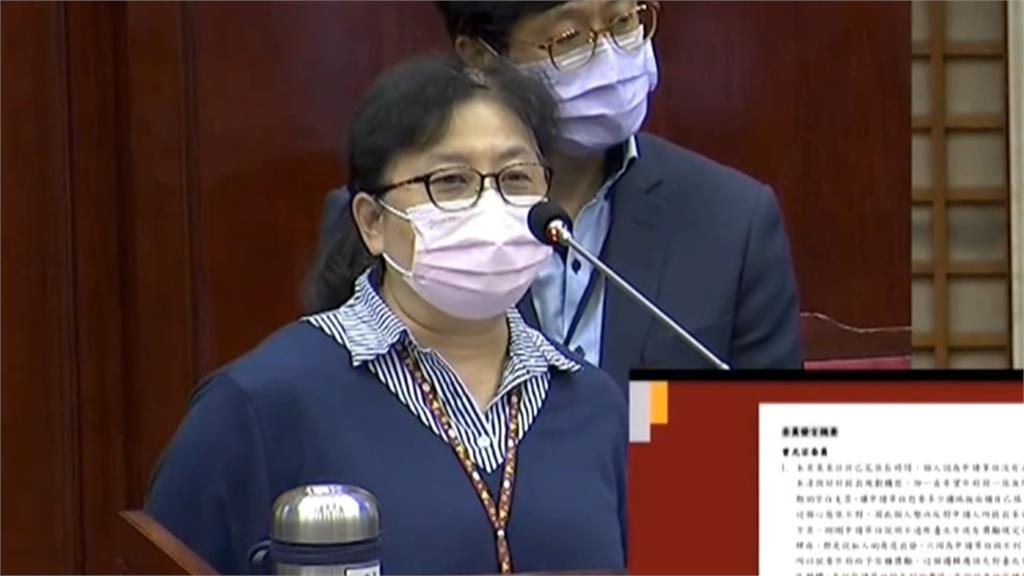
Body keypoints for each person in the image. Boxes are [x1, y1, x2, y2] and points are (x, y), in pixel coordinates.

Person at [146, 55, 626, 575]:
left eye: (515, 178)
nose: (491, 206)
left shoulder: (594, 403)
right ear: (373, 221)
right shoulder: (261, 404)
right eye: (451, 181)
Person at [310, 1, 803, 386]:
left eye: (624, 22)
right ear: (480, 56)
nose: (610, 57)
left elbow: (766, 447)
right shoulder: (399, 217)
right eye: (568, 39)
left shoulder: (732, 220)